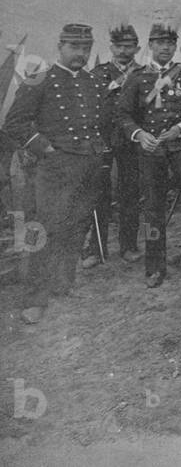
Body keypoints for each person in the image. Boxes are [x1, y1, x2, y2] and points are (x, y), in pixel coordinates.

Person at [3, 23, 111, 324]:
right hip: (55, 169)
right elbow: (14, 123)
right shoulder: (39, 80)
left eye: (85, 48)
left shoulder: (93, 82)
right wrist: (46, 149)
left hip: (87, 165)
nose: (81, 54)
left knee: (76, 227)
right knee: (45, 229)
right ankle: (36, 297)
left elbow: (100, 122)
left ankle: (64, 284)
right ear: (60, 46)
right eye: (74, 47)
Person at [118, 23, 181, 288]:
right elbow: (123, 114)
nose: (165, 47)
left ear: (175, 46)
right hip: (151, 150)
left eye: (170, 42)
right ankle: (154, 266)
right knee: (153, 208)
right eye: (160, 42)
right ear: (150, 45)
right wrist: (140, 135)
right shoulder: (137, 77)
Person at [89, 21, 144, 264]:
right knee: (98, 193)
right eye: (119, 46)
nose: (123, 51)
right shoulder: (98, 73)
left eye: (129, 46)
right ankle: (95, 248)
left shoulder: (145, 73)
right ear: (111, 47)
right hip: (102, 140)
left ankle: (129, 245)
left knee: (130, 193)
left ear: (137, 47)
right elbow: (90, 104)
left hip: (130, 141)